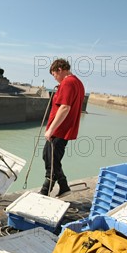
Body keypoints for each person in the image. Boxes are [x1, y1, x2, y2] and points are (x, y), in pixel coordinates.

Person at [40, 58, 85, 198]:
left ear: (59, 70)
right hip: (64, 128)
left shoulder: (68, 82)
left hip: (60, 129)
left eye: (54, 75)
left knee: (51, 158)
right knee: (50, 156)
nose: (55, 79)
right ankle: (64, 186)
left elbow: (65, 107)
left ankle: (45, 190)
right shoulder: (78, 83)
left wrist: (51, 129)